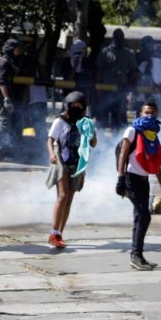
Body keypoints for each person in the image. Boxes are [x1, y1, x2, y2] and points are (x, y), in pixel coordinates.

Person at [116, 102, 161, 271]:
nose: (149, 116)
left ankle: (137, 256)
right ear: (140, 113)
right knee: (144, 216)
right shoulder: (132, 131)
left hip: (144, 180)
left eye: (153, 113)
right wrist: (120, 179)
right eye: (146, 112)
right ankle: (136, 255)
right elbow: (123, 156)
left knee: (139, 217)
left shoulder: (152, 134)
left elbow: (156, 161)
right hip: (131, 178)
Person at [45, 91, 97, 249]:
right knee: (62, 195)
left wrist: (90, 131)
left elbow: (93, 143)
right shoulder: (60, 121)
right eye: (73, 106)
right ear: (67, 106)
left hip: (77, 163)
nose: (76, 108)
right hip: (62, 160)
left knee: (70, 198)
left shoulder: (85, 122)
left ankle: (60, 233)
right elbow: (50, 140)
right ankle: (53, 233)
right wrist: (52, 154)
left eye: (79, 106)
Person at [95, 28, 138, 131]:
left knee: (118, 120)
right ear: (113, 38)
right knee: (102, 119)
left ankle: (117, 143)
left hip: (120, 91)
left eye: (120, 37)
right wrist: (98, 89)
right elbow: (98, 70)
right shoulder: (105, 52)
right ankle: (101, 143)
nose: (118, 39)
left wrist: (129, 83)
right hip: (105, 91)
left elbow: (134, 71)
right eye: (117, 37)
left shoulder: (128, 53)